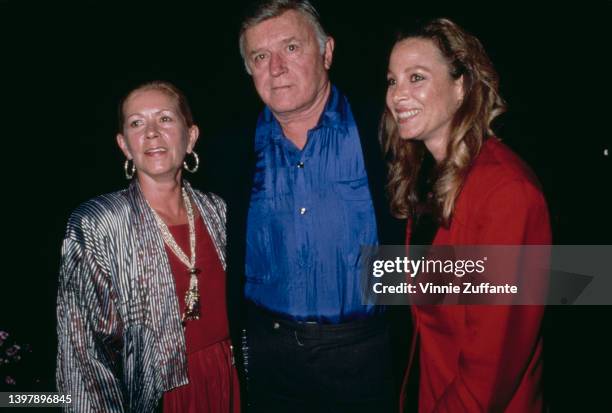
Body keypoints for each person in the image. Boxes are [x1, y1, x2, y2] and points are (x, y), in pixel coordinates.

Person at [381, 18, 551, 412]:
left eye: (416, 77)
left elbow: (489, 371)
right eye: (392, 80)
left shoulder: (506, 192)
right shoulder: (427, 178)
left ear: (461, 86)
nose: (397, 95)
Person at [238, 0, 396, 411]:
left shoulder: (386, 130)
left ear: (326, 51)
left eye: (291, 48)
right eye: (260, 56)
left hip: (366, 357)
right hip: (268, 359)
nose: (275, 67)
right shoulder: (229, 153)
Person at [56, 81, 240, 412]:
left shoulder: (220, 210)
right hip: (157, 398)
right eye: (137, 123)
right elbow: (82, 351)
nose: (151, 133)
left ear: (191, 136)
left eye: (165, 119)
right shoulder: (98, 223)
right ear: (124, 144)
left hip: (230, 381)